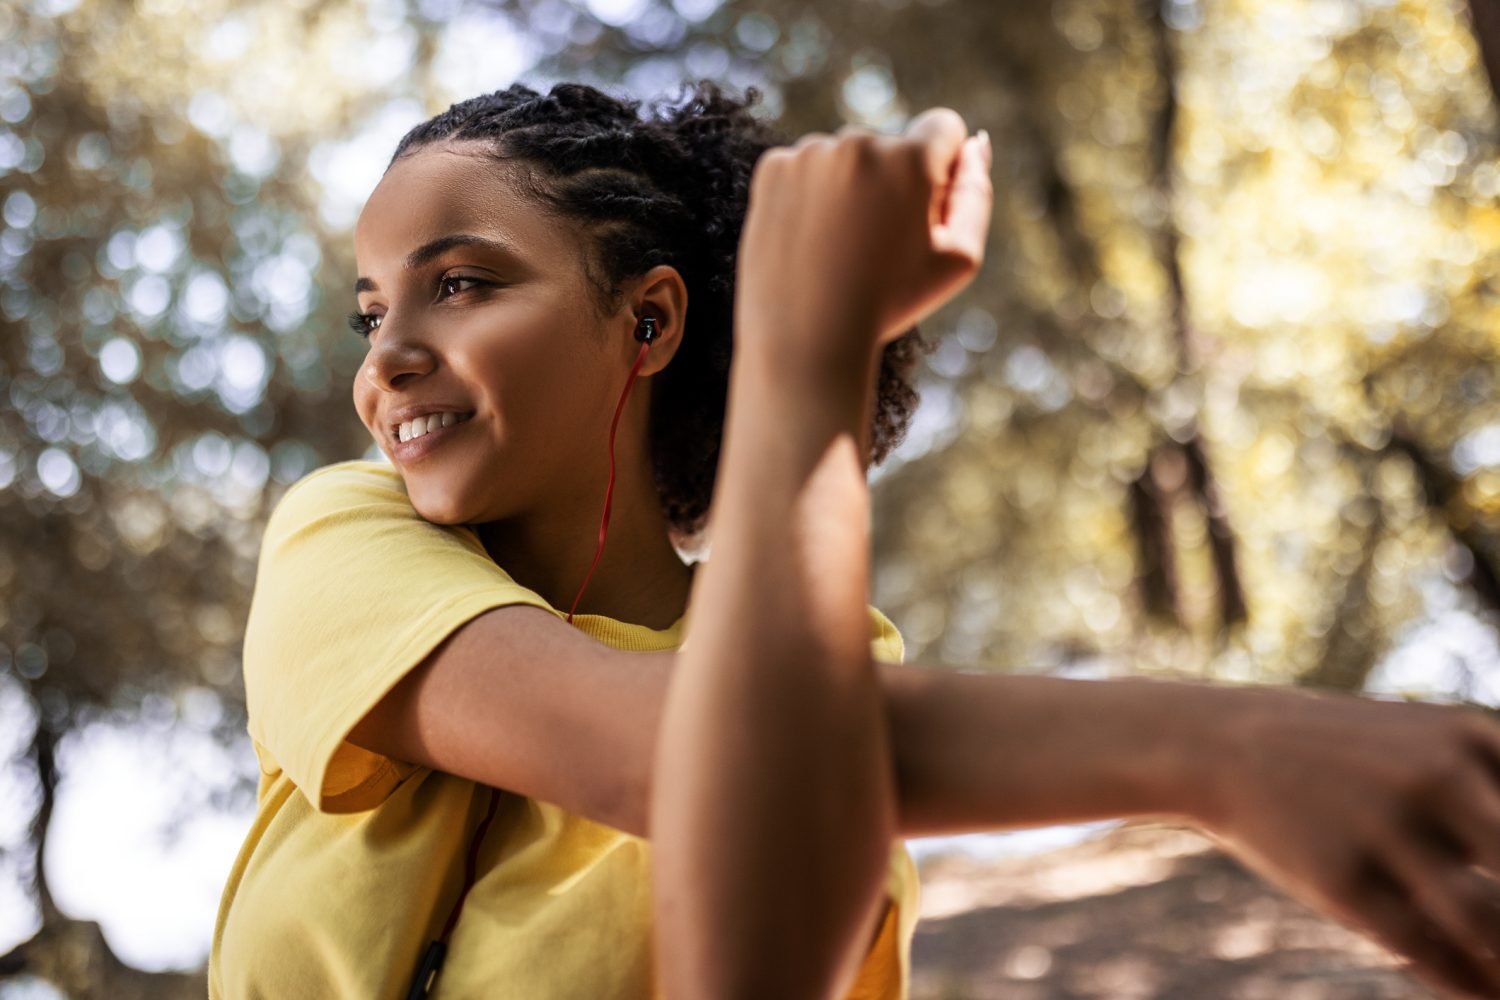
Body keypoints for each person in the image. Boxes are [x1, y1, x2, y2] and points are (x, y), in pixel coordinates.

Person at [208, 79, 1500, 1000]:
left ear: (648, 325)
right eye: (370, 310)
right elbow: (669, 758)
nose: (389, 357)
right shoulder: (342, 532)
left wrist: (802, 360)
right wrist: (1225, 744)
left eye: (464, 282)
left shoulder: (825, 674)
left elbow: (752, 961)